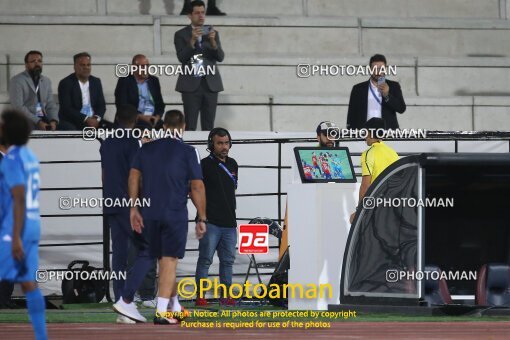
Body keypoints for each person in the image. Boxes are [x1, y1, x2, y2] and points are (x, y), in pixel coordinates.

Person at [116, 110, 206, 325]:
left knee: (153, 256)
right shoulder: (188, 151)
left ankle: (171, 305)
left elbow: (133, 176)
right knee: (169, 259)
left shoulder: (146, 148)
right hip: (173, 212)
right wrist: (202, 217)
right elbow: (197, 186)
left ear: (164, 126)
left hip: (148, 211)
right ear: (183, 126)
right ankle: (161, 310)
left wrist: (133, 208)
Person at [100, 105, 156, 323]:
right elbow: (137, 175)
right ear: (135, 120)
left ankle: (120, 298)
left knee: (119, 254)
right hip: (128, 203)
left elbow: (104, 175)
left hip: (111, 202)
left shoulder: (106, 142)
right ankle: (128, 299)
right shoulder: (133, 142)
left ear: (115, 119)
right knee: (145, 249)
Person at [0, 109, 47, 339]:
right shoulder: (30, 156)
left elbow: (17, 196)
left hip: (13, 227)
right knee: (29, 282)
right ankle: (41, 335)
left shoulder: (11, 160)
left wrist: (15, 235)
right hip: (32, 223)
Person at [195, 127, 238, 306]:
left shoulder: (233, 163)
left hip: (229, 222)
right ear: (211, 144)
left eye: (226, 143)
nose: (224, 147)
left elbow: (232, 189)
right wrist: (201, 217)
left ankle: (226, 295)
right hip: (210, 221)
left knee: (227, 261)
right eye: (220, 143)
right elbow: (196, 191)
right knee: (205, 260)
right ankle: (200, 297)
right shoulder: (203, 165)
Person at [175, 0, 225, 131]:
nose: (201, 16)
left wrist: (214, 43)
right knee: (190, 125)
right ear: (189, 16)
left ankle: (208, 150)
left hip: (210, 85)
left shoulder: (213, 33)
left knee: (209, 126)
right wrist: (191, 41)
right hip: (191, 86)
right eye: (197, 13)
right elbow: (182, 57)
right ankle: (190, 151)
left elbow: (220, 57)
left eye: (203, 12)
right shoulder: (181, 34)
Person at [350, 118, 399, 223]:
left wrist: (359, 212)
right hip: (392, 207)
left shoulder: (368, 153)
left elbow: (365, 185)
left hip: (375, 207)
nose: (364, 136)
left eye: (365, 132)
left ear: (370, 133)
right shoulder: (393, 153)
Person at [346, 54, 406, 130]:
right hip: (365, 133)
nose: (378, 71)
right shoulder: (358, 88)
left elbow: (401, 109)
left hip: (387, 132)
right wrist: (350, 132)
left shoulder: (393, 86)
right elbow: (351, 114)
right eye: (375, 68)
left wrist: (387, 95)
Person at [9, 51, 59, 131]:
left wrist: (53, 120)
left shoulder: (46, 81)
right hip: (26, 119)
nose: (37, 64)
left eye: (39, 61)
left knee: (64, 128)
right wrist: (38, 121)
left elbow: (50, 104)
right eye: (33, 61)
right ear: (26, 65)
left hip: (44, 118)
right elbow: (18, 107)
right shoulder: (17, 80)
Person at [58, 52, 106, 130]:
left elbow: (101, 105)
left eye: (88, 65)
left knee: (112, 130)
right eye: (82, 65)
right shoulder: (66, 83)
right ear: (75, 67)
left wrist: (96, 119)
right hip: (74, 121)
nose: (86, 67)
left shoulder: (96, 81)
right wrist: (87, 119)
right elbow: (67, 108)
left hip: (94, 120)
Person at [114, 54, 165, 129]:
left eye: (147, 66)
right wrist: (142, 117)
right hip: (133, 120)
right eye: (142, 66)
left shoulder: (154, 80)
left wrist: (157, 117)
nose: (146, 69)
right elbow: (122, 106)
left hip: (153, 119)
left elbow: (160, 104)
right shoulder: (124, 81)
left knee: (170, 128)